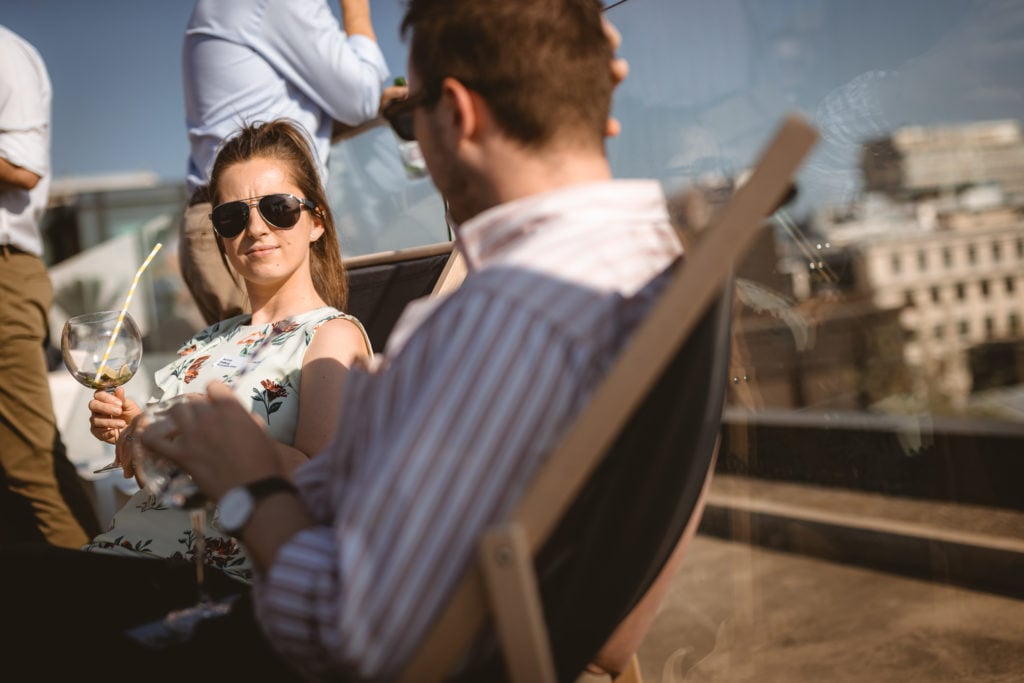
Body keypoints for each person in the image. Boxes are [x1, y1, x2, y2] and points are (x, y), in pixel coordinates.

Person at [145, 1, 681, 679]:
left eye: (410, 113)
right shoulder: (643, 266)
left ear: (454, 115)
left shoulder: (507, 317)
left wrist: (248, 484)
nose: (412, 142)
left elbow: (352, 626)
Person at [0, 119, 373, 672]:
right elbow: (156, 473)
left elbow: (324, 485)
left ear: (316, 220)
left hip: (210, 580)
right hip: (127, 556)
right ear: (220, 233)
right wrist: (134, 432)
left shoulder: (331, 336)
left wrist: (179, 438)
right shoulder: (207, 339)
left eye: (278, 207)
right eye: (232, 216)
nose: (256, 227)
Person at [180, 0, 391, 327]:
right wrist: (356, 10)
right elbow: (360, 98)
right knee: (273, 369)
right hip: (250, 218)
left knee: (271, 368)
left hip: (227, 219)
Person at [0, 24, 98, 549]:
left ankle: (101, 609)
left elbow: (23, 168)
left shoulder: (6, 53)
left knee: (28, 465)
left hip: (4, 271)